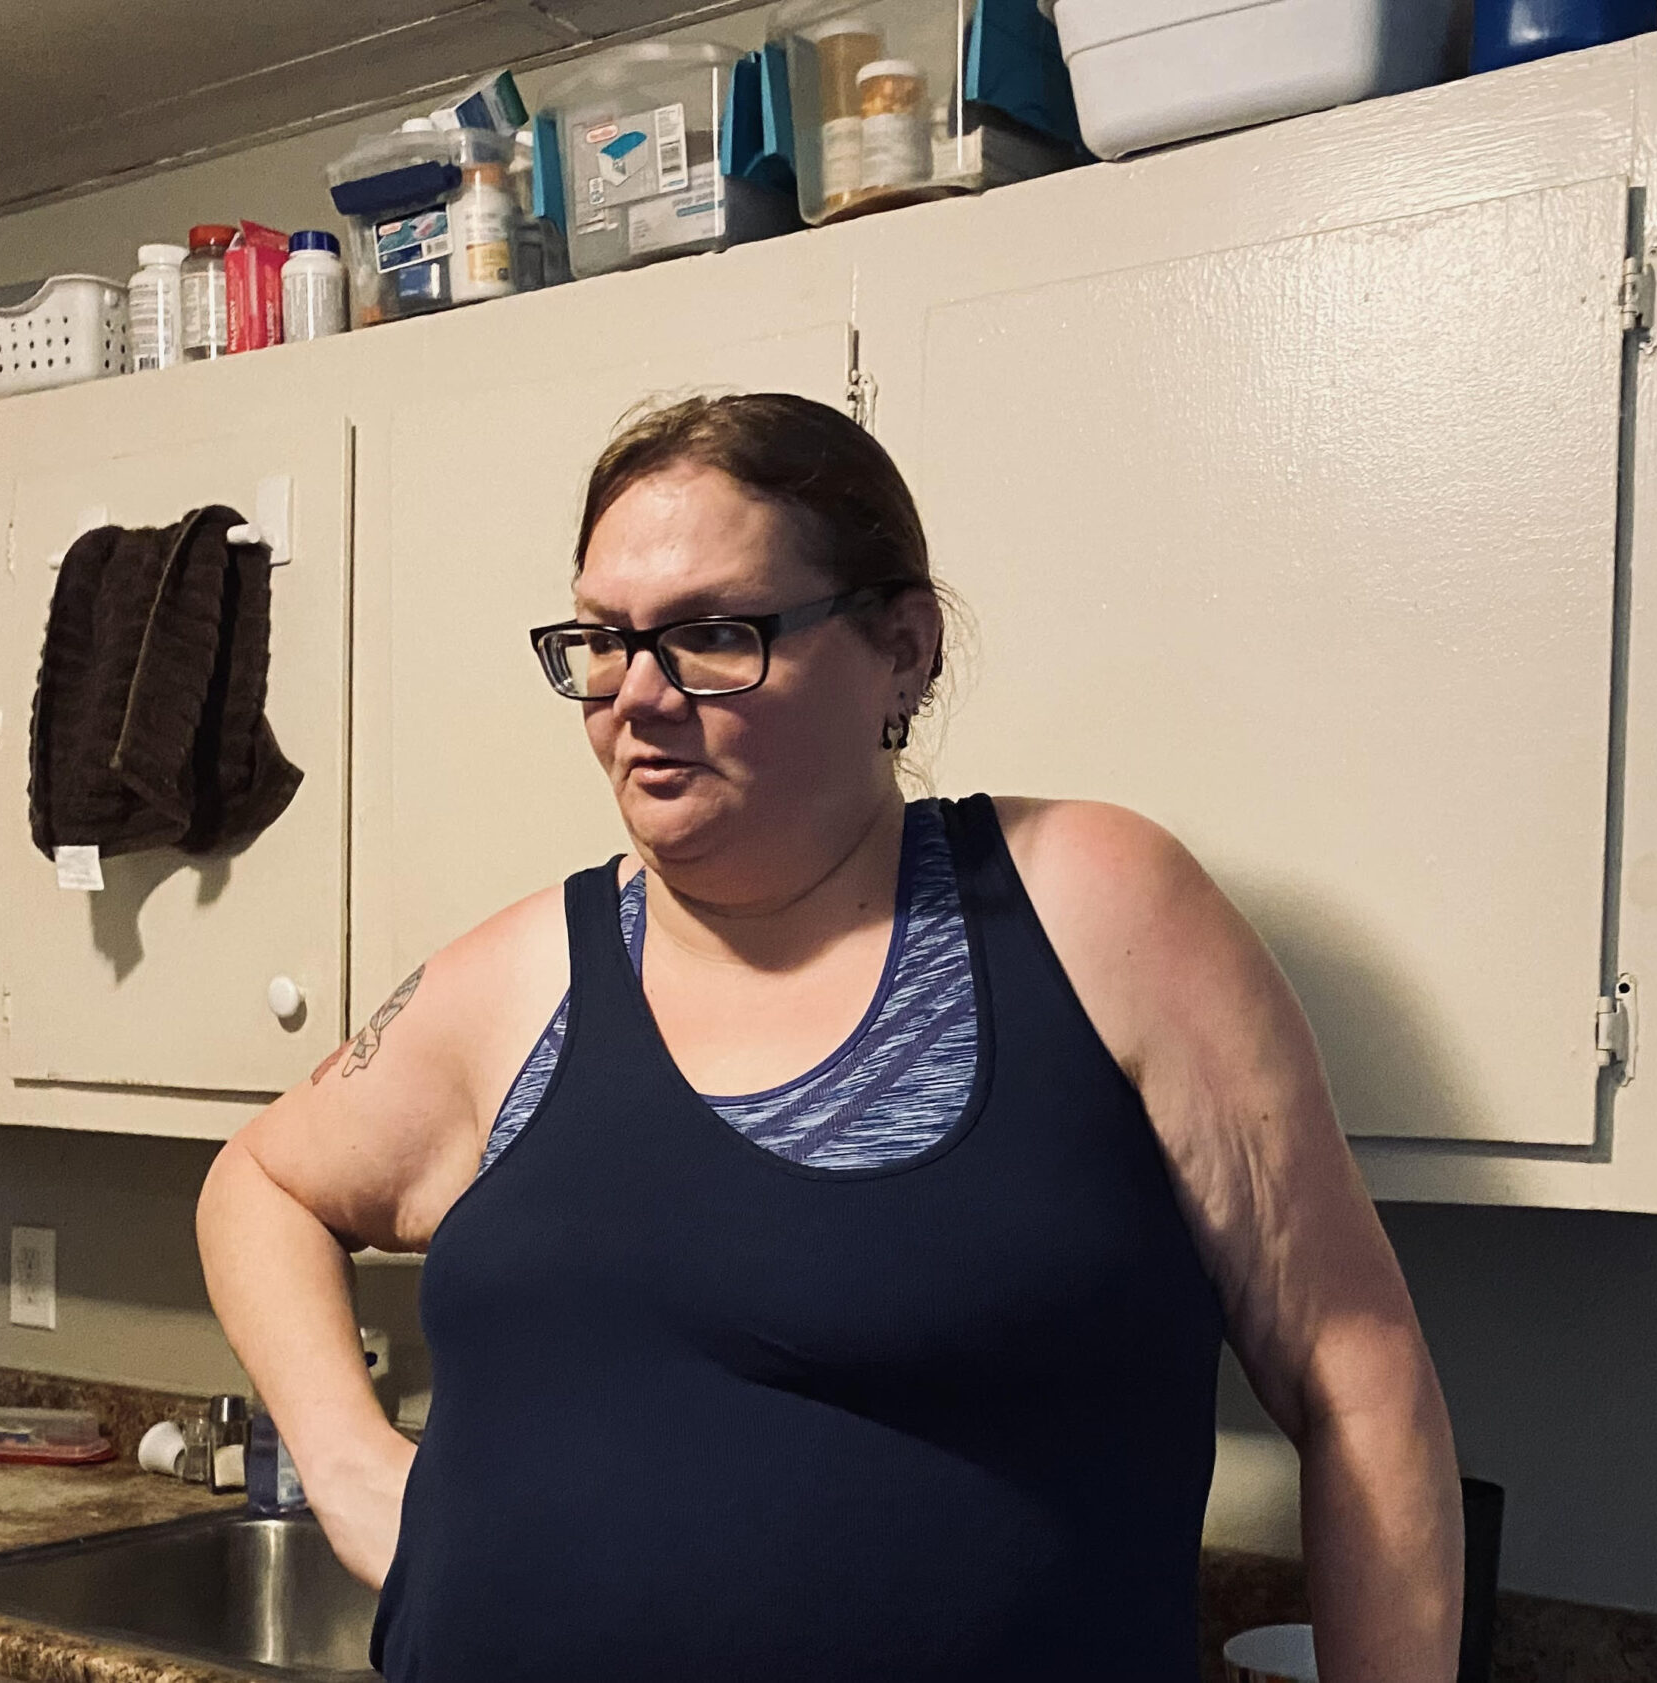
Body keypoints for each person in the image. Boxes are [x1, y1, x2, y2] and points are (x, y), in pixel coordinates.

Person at [198, 392, 1462, 1681]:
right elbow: (261, 1183)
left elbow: (1354, 1372)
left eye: (711, 634)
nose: (639, 696)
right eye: (603, 640)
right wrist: (348, 1464)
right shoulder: (525, 979)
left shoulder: (1092, 910)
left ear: (902, 649)